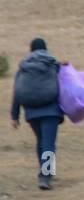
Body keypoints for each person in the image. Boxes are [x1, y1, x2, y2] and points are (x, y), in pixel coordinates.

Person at [9, 38, 63, 190]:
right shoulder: (53, 64)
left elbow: (17, 92)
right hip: (51, 111)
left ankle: (44, 173)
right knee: (48, 143)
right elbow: (66, 83)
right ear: (45, 48)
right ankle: (46, 176)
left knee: (41, 141)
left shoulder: (24, 68)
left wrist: (15, 116)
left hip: (32, 112)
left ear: (31, 50)